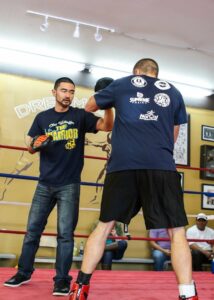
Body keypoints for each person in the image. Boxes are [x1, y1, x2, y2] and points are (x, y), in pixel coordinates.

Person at [69, 58, 198, 300]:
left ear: (135, 72)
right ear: (156, 74)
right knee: (177, 231)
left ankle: (80, 288)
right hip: (160, 166)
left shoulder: (122, 84)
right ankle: (188, 294)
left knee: (105, 225)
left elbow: (88, 107)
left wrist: (110, 104)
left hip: (123, 166)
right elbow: (174, 135)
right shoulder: (174, 92)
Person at [3, 77, 113, 296]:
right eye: (63, 90)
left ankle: (62, 280)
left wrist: (108, 105)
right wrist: (35, 144)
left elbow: (106, 125)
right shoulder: (43, 117)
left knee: (65, 235)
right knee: (32, 232)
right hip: (44, 184)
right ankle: (23, 272)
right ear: (54, 92)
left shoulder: (80, 116)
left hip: (69, 185)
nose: (68, 95)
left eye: (71, 92)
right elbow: (29, 142)